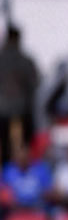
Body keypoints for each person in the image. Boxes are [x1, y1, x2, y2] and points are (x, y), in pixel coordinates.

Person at [0, 27, 39, 166]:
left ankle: (9, 171)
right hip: (20, 111)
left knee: (6, 145)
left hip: (5, 111)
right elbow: (35, 83)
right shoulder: (25, 61)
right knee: (21, 145)